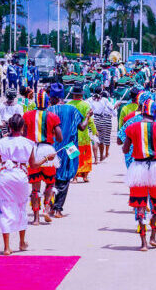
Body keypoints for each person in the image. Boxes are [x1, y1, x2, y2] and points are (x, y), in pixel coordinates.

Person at [0, 114, 57, 255]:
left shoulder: (2, 142)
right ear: (22, 127)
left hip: (5, 175)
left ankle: (6, 247)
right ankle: (22, 243)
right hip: (20, 175)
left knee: (4, 208)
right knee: (21, 207)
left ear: (9, 126)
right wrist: (47, 158)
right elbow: (33, 165)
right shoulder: (28, 143)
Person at [122, 99, 156, 251]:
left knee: (140, 205)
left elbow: (125, 150)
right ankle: (153, 238)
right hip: (155, 167)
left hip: (137, 167)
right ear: (155, 113)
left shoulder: (131, 127)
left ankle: (143, 243)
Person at [48, 84, 90, 218]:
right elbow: (82, 127)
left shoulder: (49, 110)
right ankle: (58, 209)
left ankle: (50, 205)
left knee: (52, 177)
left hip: (52, 148)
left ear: (53, 97)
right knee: (66, 177)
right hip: (70, 147)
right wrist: (88, 116)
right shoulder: (72, 109)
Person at [23, 89, 63, 225]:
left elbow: (23, 135)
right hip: (47, 150)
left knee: (35, 188)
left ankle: (35, 218)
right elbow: (60, 137)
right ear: (47, 102)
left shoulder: (27, 115)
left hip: (32, 151)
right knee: (50, 183)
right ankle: (46, 208)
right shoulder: (52, 116)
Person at [68, 85, 97, 183]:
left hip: (70, 136)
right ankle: (85, 176)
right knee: (85, 156)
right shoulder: (86, 105)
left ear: (73, 95)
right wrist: (94, 131)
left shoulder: (69, 104)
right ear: (81, 95)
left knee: (72, 155)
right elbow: (90, 120)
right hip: (83, 136)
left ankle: (74, 177)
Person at [89, 89, 117, 162]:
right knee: (102, 139)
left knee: (94, 139)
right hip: (102, 119)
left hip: (93, 119)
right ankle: (101, 156)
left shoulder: (90, 99)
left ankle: (95, 159)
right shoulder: (104, 100)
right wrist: (116, 106)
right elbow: (112, 109)